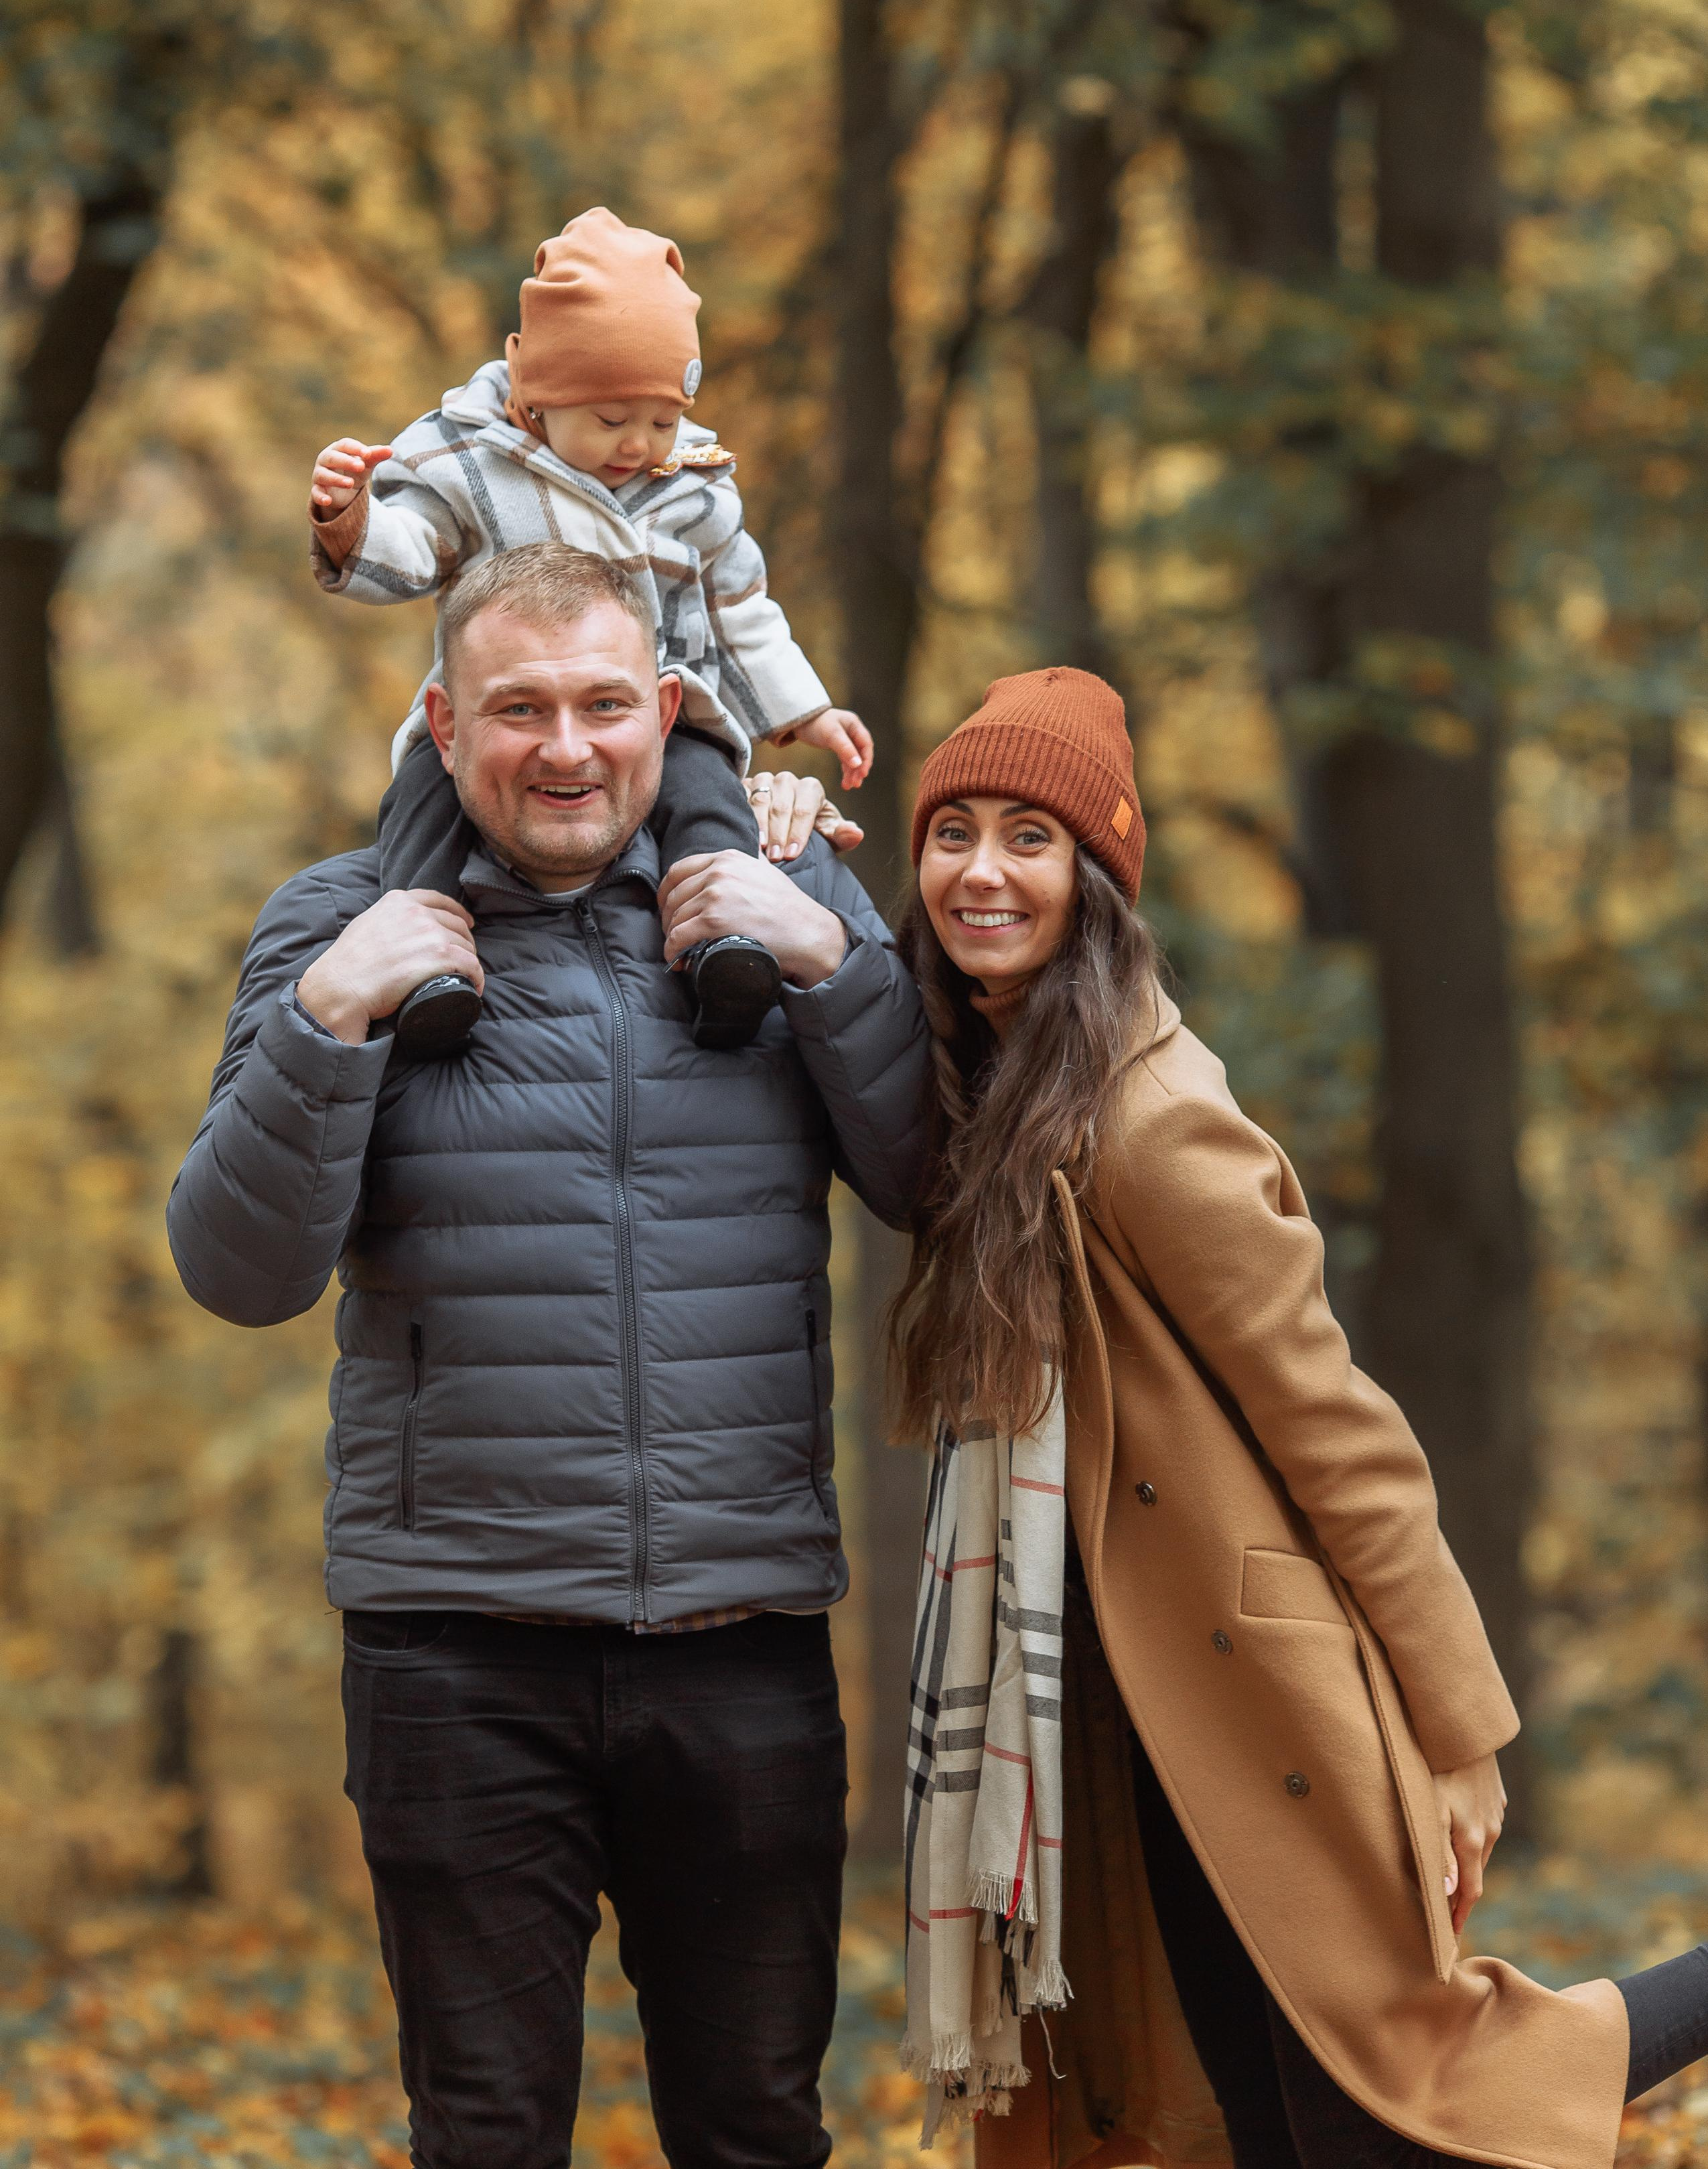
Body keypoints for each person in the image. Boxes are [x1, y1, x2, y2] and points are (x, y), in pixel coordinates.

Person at [166, 544, 929, 2169]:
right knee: (489, 2128)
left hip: (743, 1638)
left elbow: (940, 1182)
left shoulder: (793, 904)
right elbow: (237, 1269)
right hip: (455, 1647)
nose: (566, 749)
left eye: (601, 704)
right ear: (442, 726)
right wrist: (327, 1015)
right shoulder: (333, 920)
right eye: (519, 709)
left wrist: (836, 965)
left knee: (754, 2124)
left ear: (668, 711)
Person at [891, 665, 1708, 2169]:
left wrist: (1459, 1730)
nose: (982, 870)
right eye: (953, 832)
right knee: (1238, 2105)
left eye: (1030, 837)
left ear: (1098, 878)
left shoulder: (1142, 1117)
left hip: (1239, 1685)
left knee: (1387, 2088)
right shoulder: (988, 1086)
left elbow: (1337, 1425)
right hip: (1109, 1705)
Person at [307, 203, 872, 1047]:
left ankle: (723, 948)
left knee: (708, 801)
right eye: (611, 421)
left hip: (662, 709)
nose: (639, 445)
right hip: (499, 713)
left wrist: (803, 709)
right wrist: (350, 520)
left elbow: (740, 604)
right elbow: (410, 551)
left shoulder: (694, 486)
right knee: (423, 804)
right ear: (538, 397)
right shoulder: (471, 462)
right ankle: (424, 961)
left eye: (662, 420)